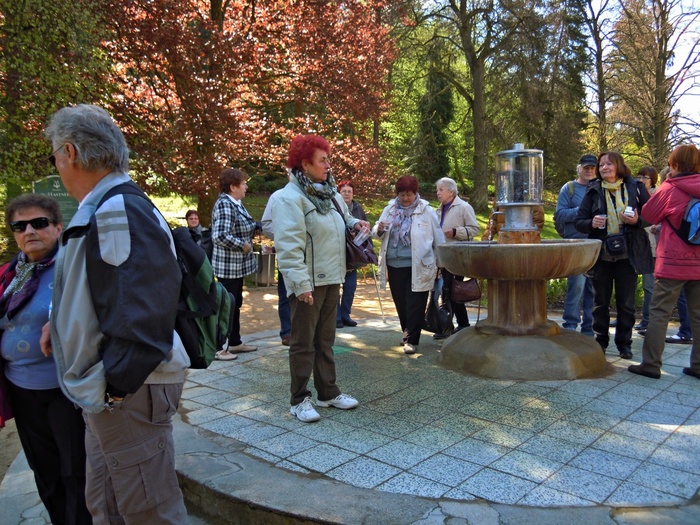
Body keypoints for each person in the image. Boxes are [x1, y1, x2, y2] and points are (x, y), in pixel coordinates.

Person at [41, 104, 189, 523]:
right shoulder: (109, 204)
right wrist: (61, 325)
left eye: (54, 156)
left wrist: (116, 388)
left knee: (149, 512)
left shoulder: (116, 208)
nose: (56, 165)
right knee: (110, 505)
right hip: (116, 389)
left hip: (127, 390)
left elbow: (143, 307)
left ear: (69, 152)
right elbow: (113, 291)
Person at [0, 195, 91, 525]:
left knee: (75, 471)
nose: (29, 231)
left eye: (39, 223)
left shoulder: (74, 268)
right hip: (21, 391)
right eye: (19, 226)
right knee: (45, 471)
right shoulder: (10, 274)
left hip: (64, 391)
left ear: (57, 227)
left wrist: (60, 319)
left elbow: (94, 310)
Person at [272, 134, 368, 423]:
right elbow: (289, 246)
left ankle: (328, 392)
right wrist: (300, 285)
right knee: (303, 343)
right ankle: (299, 399)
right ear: (305, 164)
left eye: (328, 159)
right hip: (308, 282)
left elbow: (343, 218)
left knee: (325, 340)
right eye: (322, 160)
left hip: (332, 277)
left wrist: (356, 223)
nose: (328, 165)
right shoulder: (289, 198)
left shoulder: (331, 194)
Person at [628, 144, 700, 379]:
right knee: (699, 316)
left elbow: (649, 215)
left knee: (659, 313)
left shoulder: (670, 188)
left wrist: (667, 182)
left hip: (673, 262)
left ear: (675, 165)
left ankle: (650, 364)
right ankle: (698, 366)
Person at [574, 151, 652, 359]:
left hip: (628, 255)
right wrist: (591, 223)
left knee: (626, 303)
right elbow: (579, 221)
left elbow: (651, 215)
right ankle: (600, 342)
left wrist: (637, 221)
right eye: (601, 165)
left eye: (609, 164)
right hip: (602, 255)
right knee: (600, 303)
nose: (604, 168)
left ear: (619, 166)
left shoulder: (636, 187)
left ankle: (624, 344)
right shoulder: (594, 189)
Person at [372, 175, 445, 355]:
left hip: (418, 264)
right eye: (402, 195)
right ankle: (407, 332)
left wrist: (441, 263)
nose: (405, 199)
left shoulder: (426, 211)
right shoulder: (390, 209)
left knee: (415, 303)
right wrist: (379, 228)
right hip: (394, 264)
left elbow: (438, 238)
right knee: (401, 302)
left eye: (409, 195)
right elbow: (377, 233)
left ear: (415, 193)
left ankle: (411, 340)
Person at [211, 168, 260, 360]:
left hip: (236, 267)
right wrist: (242, 244)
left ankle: (235, 342)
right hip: (228, 268)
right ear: (233, 187)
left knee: (235, 304)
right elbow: (219, 235)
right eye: (243, 184)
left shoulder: (235, 203)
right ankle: (218, 348)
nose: (246, 187)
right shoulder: (225, 204)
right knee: (226, 306)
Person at [554, 154, 597, 336]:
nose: (589, 171)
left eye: (592, 168)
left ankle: (589, 328)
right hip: (576, 245)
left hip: (595, 245)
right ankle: (570, 325)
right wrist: (581, 211)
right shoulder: (569, 188)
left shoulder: (600, 188)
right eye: (586, 168)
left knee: (593, 289)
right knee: (576, 286)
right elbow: (560, 215)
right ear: (579, 169)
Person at [435, 177, 480, 336]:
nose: (438, 193)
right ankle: (462, 324)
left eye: (441, 189)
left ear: (451, 191)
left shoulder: (464, 207)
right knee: (452, 291)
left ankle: (446, 327)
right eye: (437, 189)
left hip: (457, 257)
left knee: (449, 290)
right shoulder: (438, 209)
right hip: (443, 257)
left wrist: (455, 232)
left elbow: (474, 229)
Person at [261, 184, 292, 346]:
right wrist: (286, 236)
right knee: (286, 294)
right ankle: (287, 332)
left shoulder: (317, 194)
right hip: (287, 253)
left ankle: (307, 331)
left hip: (314, 256)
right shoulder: (278, 196)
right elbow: (267, 224)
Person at [336, 180, 368, 329]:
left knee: (350, 286)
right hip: (336, 251)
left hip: (353, 253)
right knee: (334, 287)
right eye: (344, 191)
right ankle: (336, 316)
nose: (347, 194)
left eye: (349, 191)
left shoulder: (358, 208)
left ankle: (345, 315)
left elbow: (365, 227)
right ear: (339, 193)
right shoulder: (334, 207)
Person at [635, 166, 659, 334]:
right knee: (628, 284)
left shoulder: (659, 196)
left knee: (649, 285)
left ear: (653, 180)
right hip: (635, 244)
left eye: (645, 177)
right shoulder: (633, 193)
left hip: (652, 246)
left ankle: (647, 319)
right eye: (639, 177)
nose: (641, 180)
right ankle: (624, 317)